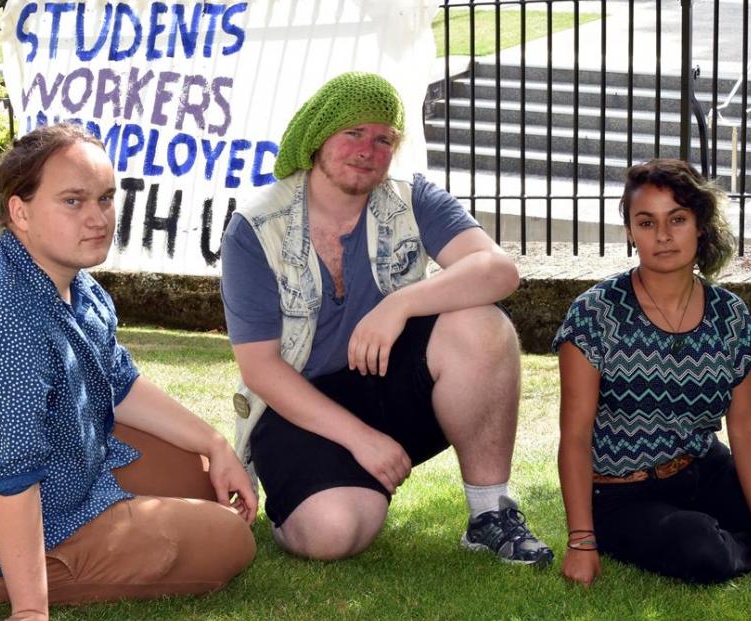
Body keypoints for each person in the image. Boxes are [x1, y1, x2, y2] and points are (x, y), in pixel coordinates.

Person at [0, 123, 256, 621]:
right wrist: (30, 610)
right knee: (231, 540)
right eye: (73, 201)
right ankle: (36, 575)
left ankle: (131, 507)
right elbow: (10, 479)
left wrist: (216, 444)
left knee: (203, 475)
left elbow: (120, 383)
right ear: (19, 211)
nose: (98, 218)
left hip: (70, 474)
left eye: (106, 198)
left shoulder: (76, 284)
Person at [220, 72, 553, 565]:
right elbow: (261, 370)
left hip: (387, 381)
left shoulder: (411, 197)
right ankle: (310, 495)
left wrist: (398, 304)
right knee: (333, 533)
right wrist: (361, 440)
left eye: (383, 139)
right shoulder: (255, 227)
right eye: (352, 133)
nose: (367, 150)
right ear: (318, 137)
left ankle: (489, 513)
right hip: (299, 406)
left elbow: (498, 270)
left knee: (483, 325)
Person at [554, 158, 751, 585]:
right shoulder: (595, 314)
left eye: (677, 219)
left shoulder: (729, 315)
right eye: (646, 222)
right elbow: (576, 437)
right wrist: (581, 541)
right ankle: (730, 538)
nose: (663, 236)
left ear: (700, 225)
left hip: (705, 470)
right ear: (631, 232)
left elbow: (746, 429)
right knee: (701, 552)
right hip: (621, 494)